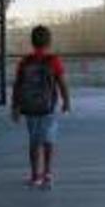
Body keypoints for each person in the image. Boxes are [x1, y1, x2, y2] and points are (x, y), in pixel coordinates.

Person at [11, 25, 72, 189]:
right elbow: (61, 83)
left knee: (34, 141)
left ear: (32, 41)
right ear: (49, 42)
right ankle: (48, 174)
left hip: (30, 108)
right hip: (48, 108)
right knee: (48, 140)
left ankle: (34, 176)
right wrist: (66, 101)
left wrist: (15, 107)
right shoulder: (53, 61)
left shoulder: (25, 62)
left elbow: (17, 85)